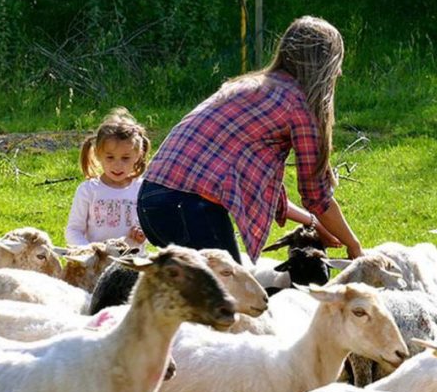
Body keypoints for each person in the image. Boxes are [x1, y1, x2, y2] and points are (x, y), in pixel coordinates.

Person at [138, 16, 362, 264]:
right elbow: (316, 196)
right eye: (337, 64)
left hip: (150, 200)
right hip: (189, 209)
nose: (339, 72)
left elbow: (261, 183)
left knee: (192, 298)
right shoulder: (300, 106)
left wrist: (313, 223)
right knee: (233, 297)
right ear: (325, 65)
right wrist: (354, 245)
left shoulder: (249, 86)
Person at [65, 107, 151, 248]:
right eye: (110, 157)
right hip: (97, 264)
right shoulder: (88, 190)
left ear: (138, 155)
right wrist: (88, 252)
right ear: (98, 154)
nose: (117, 165)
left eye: (125, 158)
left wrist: (144, 235)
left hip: (132, 262)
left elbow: (152, 228)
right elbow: (74, 230)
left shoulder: (142, 190)